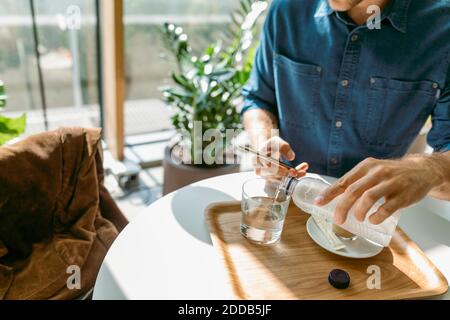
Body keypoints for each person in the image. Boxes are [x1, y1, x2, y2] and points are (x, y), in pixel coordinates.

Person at [242, 0, 450, 225]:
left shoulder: (443, 27)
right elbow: (258, 98)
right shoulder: (286, 8)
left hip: (366, 222)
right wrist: (263, 138)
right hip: (285, 203)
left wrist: (429, 170)